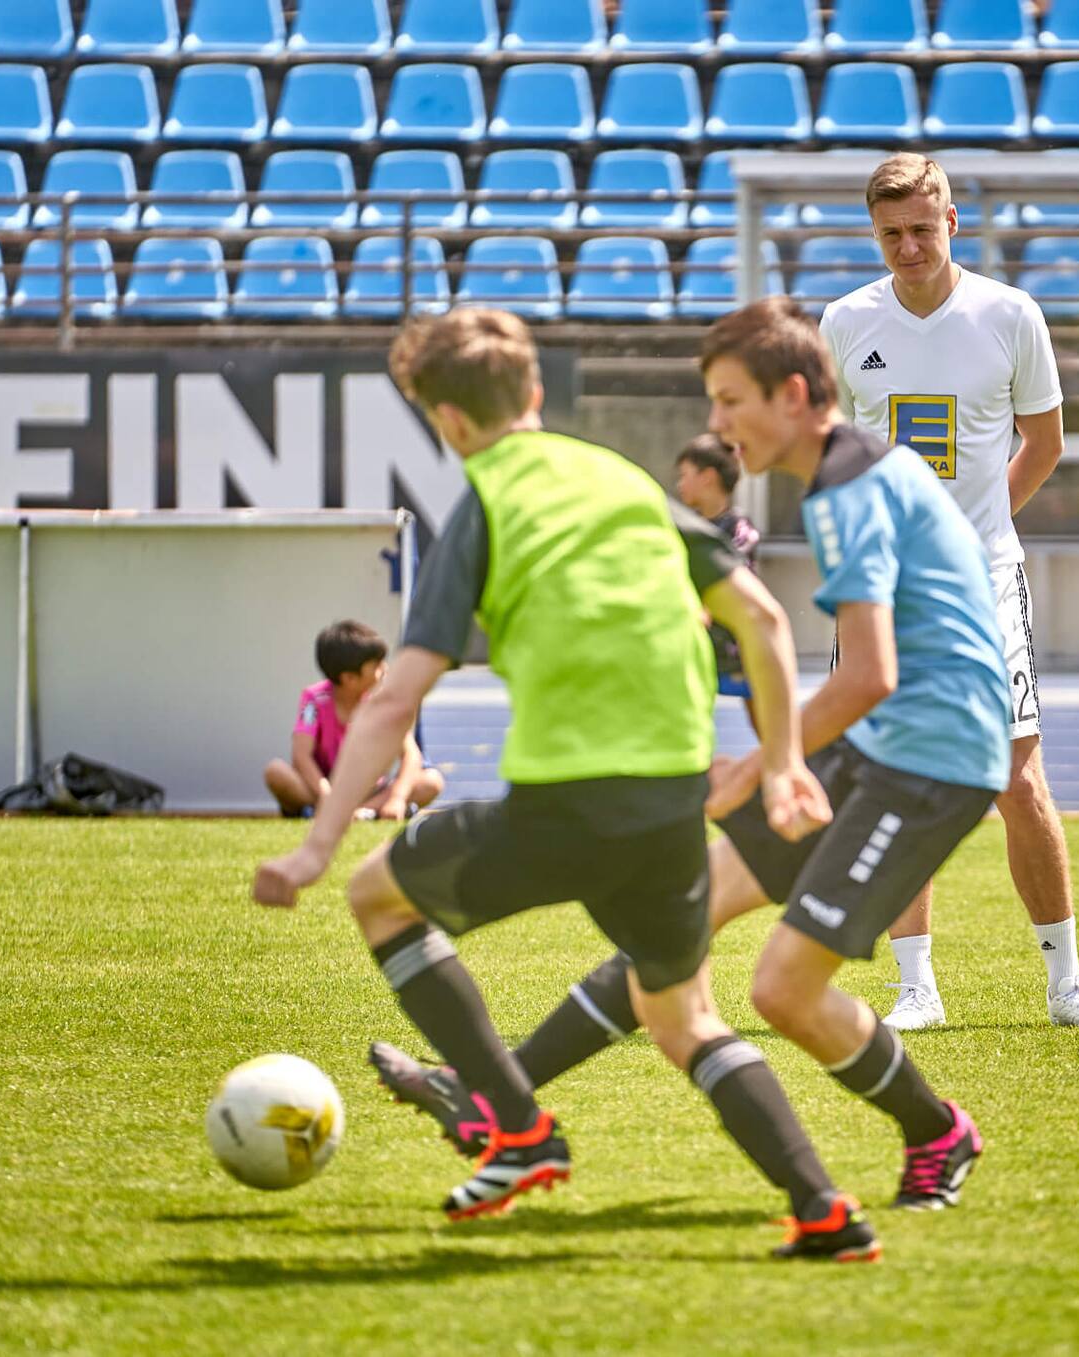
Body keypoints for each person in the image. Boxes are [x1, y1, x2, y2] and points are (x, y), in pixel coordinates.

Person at [252, 308, 880, 1261]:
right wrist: (784, 761)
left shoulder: (483, 506)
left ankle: (518, 1125)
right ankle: (825, 1208)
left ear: (447, 423)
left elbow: (393, 700)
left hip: (567, 800)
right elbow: (760, 614)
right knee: (684, 1018)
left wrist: (312, 844)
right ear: (536, 393)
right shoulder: (625, 481)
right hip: (674, 798)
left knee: (376, 894)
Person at [373, 297, 1008, 1218]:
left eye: (729, 400)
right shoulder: (847, 473)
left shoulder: (848, 488)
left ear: (794, 396)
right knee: (677, 928)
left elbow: (869, 672)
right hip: (887, 741)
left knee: (784, 988)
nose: (716, 424)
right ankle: (490, 1094)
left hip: (936, 755)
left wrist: (760, 767)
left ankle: (936, 1128)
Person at [816, 151, 1079, 1032]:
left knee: (1017, 779)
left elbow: (1046, 440)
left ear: (953, 221)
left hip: (985, 579)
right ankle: (916, 986)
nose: (908, 247)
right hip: (881, 588)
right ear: (873, 234)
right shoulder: (845, 321)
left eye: (922, 228)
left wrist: (973, 525)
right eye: (890, 234)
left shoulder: (1008, 314)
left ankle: (1068, 981)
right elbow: (826, 454)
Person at [264, 620, 445, 821]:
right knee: (275, 772)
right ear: (349, 678)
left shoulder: (382, 702)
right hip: (324, 789)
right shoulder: (314, 700)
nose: (385, 669)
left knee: (431, 781)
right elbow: (301, 755)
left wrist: (397, 798)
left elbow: (411, 755)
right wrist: (327, 795)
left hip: (371, 791)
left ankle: (357, 811)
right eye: (376, 666)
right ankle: (346, 811)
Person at [675, 433, 764, 716]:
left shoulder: (739, 530)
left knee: (759, 709)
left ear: (707, 477)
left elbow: (738, 577)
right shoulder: (686, 528)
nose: (679, 485)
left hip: (733, 645)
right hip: (696, 642)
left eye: (685, 475)